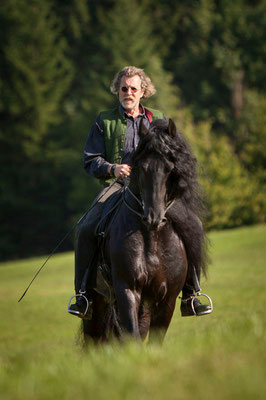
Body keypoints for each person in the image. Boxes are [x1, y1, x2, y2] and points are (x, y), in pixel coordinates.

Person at [68, 66, 212, 319]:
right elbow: (90, 160)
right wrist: (112, 168)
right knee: (85, 227)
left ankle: (191, 294)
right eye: (123, 88)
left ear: (143, 91)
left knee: (194, 225)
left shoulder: (158, 119)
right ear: (117, 90)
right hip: (116, 187)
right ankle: (83, 296)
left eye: (133, 88)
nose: (128, 92)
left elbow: (174, 155)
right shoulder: (104, 120)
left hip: (156, 189)